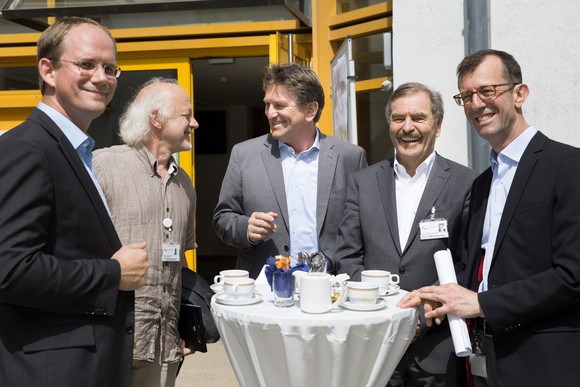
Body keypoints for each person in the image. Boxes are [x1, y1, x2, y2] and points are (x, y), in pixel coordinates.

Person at [398, 49, 580, 387]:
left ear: (519, 93)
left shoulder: (568, 167)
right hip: (483, 363)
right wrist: (440, 296)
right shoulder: (481, 183)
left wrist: (482, 303)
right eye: (466, 96)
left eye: (487, 91)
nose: (477, 104)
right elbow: (477, 269)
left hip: (544, 361)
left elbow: (572, 276)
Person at [0, 17, 149, 387]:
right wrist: (113, 274)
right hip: (53, 371)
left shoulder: (75, 149)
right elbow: (9, 269)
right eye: (86, 64)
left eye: (110, 67)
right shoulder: (28, 148)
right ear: (48, 71)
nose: (102, 77)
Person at [335, 82, 477, 387]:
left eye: (418, 118)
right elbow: (346, 257)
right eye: (398, 118)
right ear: (389, 125)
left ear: (437, 125)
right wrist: (386, 313)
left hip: (437, 348)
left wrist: (422, 315)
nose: (407, 127)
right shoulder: (362, 182)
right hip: (373, 345)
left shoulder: (467, 183)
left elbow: (467, 263)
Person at [213, 63, 367, 279]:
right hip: (265, 288)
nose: (270, 113)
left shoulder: (349, 157)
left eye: (279, 105)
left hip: (330, 286)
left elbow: (363, 226)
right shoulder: (244, 154)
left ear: (310, 110)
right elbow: (222, 218)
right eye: (267, 105)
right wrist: (246, 229)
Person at [93, 78, 198, 387]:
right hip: (112, 339)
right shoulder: (104, 165)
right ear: (156, 119)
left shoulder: (186, 184)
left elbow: (180, 261)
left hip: (164, 343)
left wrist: (186, 323)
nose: (194, 122)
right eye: (186, 115)